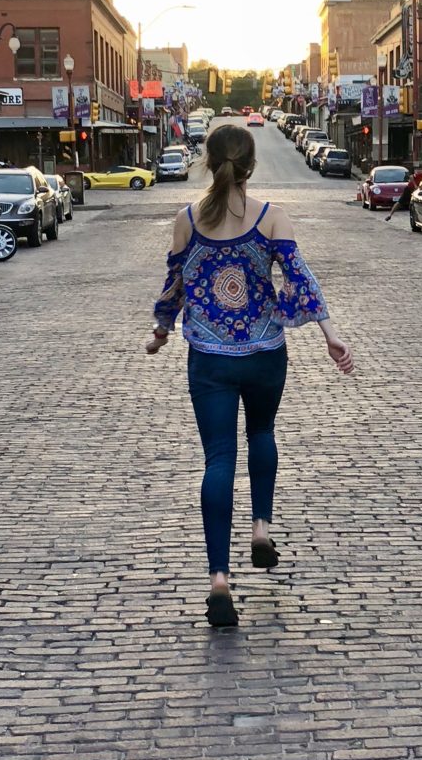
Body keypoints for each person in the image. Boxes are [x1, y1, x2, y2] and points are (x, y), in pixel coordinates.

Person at [146, 120, 353, 629]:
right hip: (264, 353)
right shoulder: (271, 217)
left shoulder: (186, 220)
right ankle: (261, 526)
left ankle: (219, 580)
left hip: (210, 359)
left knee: (218, 460)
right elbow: (300, 278)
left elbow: (175, 284)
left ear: (208, 162)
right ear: (251, 166)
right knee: (261, 432)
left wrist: (161, 329)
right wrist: (329, 335)